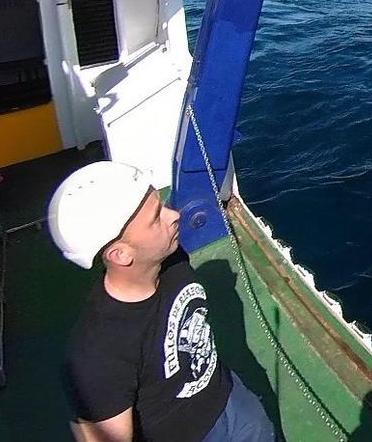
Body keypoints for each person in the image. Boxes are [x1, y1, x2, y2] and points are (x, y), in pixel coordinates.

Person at [47, 161, 277, 441]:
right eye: (156, 218)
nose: (174, 215)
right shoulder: (97, 354)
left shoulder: (171, 259)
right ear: (120, 255)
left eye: (162, 204)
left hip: (230, 399)